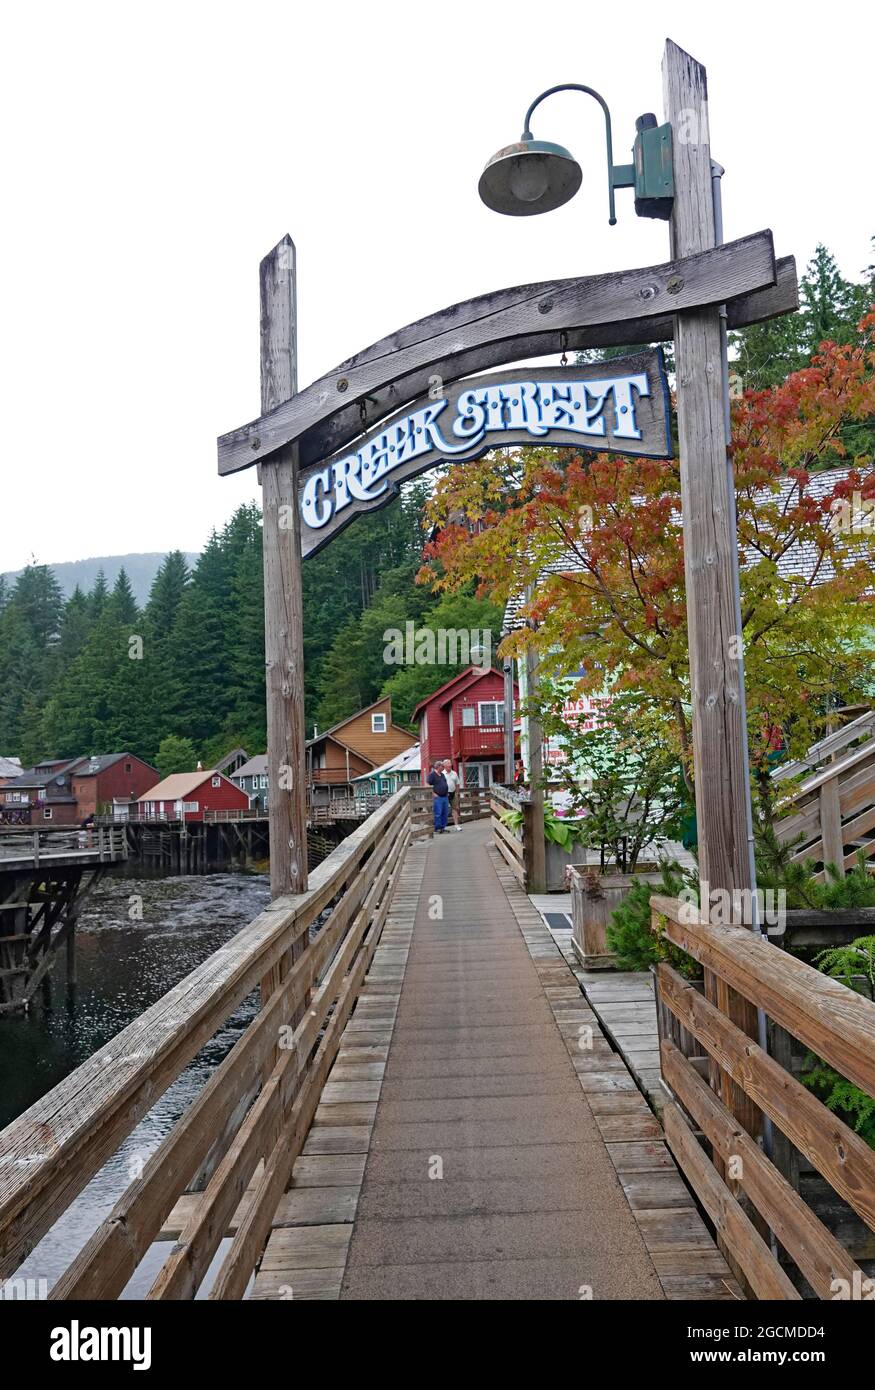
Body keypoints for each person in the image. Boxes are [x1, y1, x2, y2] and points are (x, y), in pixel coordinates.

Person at [426, 760, 449, 833]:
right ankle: (437, 828)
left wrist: (446, 791)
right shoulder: (432, 775)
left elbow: (444, 783)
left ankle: (443, 827)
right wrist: (433, 793)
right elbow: (427, 784)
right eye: (442, 766)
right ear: (438, 766)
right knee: (438, 813)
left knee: (445, 813)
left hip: (445, 796)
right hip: (438, 797)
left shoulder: (442, 775)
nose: (443, 767)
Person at [442, 759, 462, 831]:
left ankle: (456, 825)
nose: (450, 765)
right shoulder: (442, 774)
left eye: (450, 764)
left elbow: (457, 784)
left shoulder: (454, 773)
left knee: (455, 809)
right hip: (444, 794)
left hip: (453, 793)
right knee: (444, 810)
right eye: (448, 764)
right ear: (444, 766)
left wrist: (457, 792)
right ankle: (443, 826)